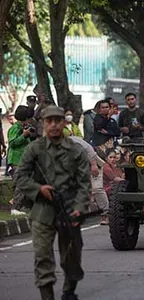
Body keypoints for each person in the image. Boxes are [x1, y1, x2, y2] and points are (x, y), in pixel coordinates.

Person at [14, 105, 91, 300]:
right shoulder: (35, 149)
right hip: (43, 210)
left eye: (58, 120)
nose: (54, 125)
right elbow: (20, 176)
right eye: (49, 121)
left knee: (72, 257)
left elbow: (84, 184)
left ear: (64, 123)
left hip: (70, 208)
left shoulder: (76, 150)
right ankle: (47, 296)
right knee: (43, 257)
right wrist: (38, 189)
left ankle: (68, 291)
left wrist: (79, 209)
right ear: (43, 124)